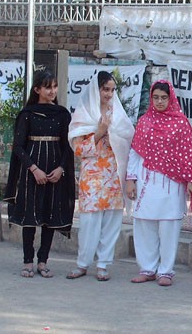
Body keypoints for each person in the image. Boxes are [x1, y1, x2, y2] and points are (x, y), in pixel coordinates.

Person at [126, 80, 192, 287]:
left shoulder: (181, 123)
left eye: (163, 98)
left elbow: (188, 155)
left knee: (168, 226)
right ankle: (147, 268)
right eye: (156, 97)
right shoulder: (144, 121)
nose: (159, 102)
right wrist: (131, 180)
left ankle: (165, 271)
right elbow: (135, 152)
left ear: (171, 98)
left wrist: (191, 181)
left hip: (171, 184)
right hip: (145, 181)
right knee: (144, 224)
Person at [4, 70, 75, 278]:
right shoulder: (27, 114)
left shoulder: (63, 114)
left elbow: (68, 146)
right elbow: (18, 146)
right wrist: (33, 169)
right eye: (47, 87)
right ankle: (27, 261)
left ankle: (43, 261)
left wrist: (61, 169)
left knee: (49, 217)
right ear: (37, 89)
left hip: (54, 172)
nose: (52, 91)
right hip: (31, 173)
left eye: (54, 87)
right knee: (30, 217)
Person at [66, 71, 134, 281]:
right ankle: (82, 264)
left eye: (112, 90)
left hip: (114, 174)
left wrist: (113, 132)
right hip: (93, 176)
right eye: (105, 89)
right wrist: (100, 132)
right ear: (96, 90)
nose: (109, 93)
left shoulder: (118, 113)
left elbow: (127, 139)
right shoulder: (84, 114)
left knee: (112, 222)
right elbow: (78, 149)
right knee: (89, 223)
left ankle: (103, 264)